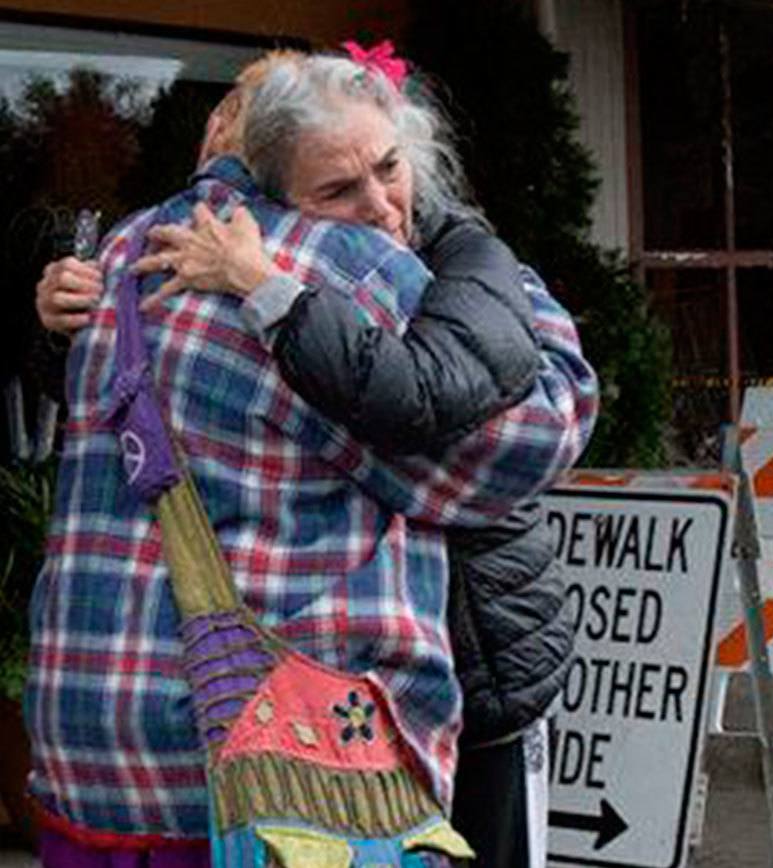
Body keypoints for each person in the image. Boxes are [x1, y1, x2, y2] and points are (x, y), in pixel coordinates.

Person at [28, 49, 598, 867]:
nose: (375, 205)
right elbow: (524, 446)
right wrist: (516, 293)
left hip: (88, 760)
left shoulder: (119, 253)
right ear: (268, 161)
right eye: (338, 186)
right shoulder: (349, 272)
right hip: (280, 781)